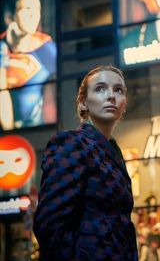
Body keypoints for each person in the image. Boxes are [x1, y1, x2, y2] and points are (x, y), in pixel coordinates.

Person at [33, 65, 138, 261]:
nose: (111, 96)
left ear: (124, 104)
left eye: (118, 90)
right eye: (100, 89)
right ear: (83, 104)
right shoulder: (72, 143)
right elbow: (50, 223)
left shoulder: (113, 152)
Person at [0, 0, 56, 130]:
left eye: (37, 9)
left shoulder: (47, 48)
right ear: (10, 15)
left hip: (37, 127)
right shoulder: (2, 47)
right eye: (27, 9)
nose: (34, 15)